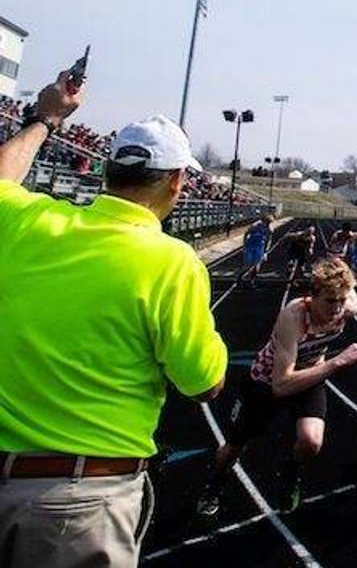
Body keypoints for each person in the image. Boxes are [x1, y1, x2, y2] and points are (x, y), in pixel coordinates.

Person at [0, 73, 226, 567]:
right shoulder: (172, 263)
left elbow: (1, 177)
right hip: (81, 503)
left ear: (107, 171)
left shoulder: (31, 221)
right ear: (176, 181)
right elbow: (204, 383)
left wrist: (47, 117)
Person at [196, 258, 357, 515]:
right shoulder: (293, 317)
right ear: (313, 295)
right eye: (330, 301)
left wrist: (342, 268)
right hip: (266, 382)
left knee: (311, 441)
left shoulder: (347, 307)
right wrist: (336, 363)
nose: (337, 309)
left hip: (309, 374)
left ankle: (291, 473)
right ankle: (214, 485)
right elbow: (281, 386)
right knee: (233, 448)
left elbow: (351, 292)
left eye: (341, 300)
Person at [238, 215, 273, 288]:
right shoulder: (255, 226)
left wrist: (266, 252)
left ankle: (252, 281)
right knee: (247, 265)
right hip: (250, 246)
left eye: (269, 223)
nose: (267, 224)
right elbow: (246, 234)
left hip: (259, 248)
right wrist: (244, 245)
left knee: (256, 267)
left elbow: (269, 240)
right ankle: (239, 278)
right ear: (263, 221)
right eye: (267, 222)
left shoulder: (269, 229)